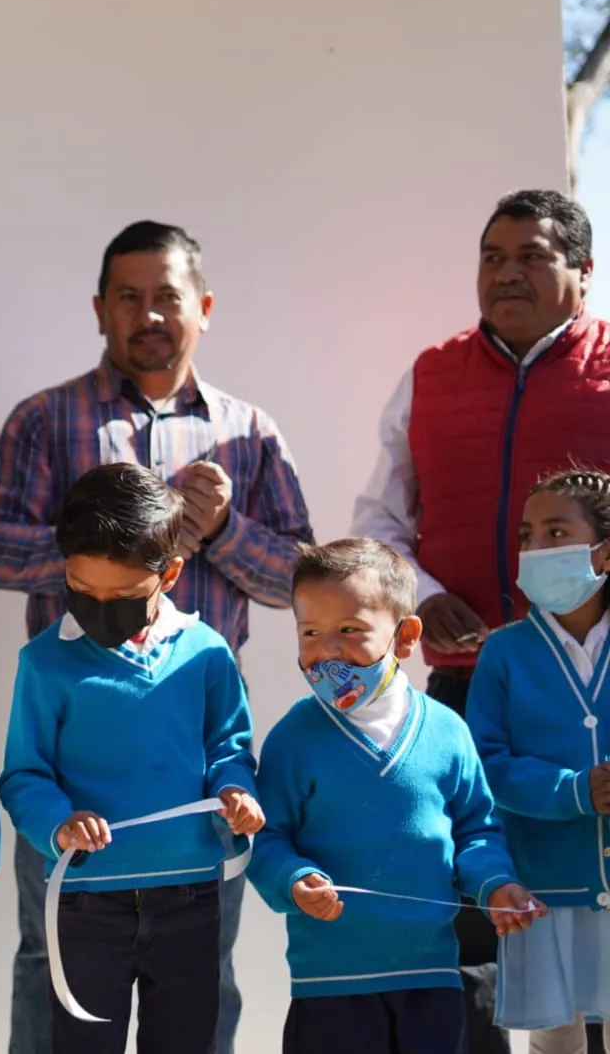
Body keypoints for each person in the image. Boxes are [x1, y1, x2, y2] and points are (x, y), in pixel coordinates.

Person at [0, 220, 312, 1054]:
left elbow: (300, 579)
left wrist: (220, 528)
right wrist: (113, 545)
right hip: (70, 767)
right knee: (44, 965)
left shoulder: (252, 432)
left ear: (204, 307)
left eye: (167, 297)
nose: (148, 314)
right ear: (100, 308)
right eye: (129, 296)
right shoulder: (45, 419)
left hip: (190, 770)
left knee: (196, 979)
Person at [353, 189, 605, 1054]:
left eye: (531, 255)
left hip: (592, 693)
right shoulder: (428, 375)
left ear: (583, 271)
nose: (507, 273)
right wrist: (419, 589)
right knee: (474, 918)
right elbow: (378, 522)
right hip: (462, 692)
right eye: (492, 256)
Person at [0, 462, 265, 1054]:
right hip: (86, 904)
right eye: (81, 591)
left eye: (120, 596)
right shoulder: (44, 663)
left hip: (191, 898)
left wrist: (236, 792)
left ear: (168, 574)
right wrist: (56, 822)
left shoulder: (207, 653)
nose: (98, 609)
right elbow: (23, 775)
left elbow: (229, 747)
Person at [250, 538, 540, 1054]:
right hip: (330, 985)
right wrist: (293, 882)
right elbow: (266, 837)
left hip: (432, 979)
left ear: (405, 636)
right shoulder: (294, 737)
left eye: (350, 631)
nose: (328, 650)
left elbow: (477, 829)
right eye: (310, 632)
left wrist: (497, 884)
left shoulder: (448, 730)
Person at [467, 470, 610, 1053]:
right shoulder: (504, 652)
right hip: (544, 890)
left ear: (604, 550)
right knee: (556, 1041)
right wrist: (574, 790)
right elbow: (485, 765)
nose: (537, 549)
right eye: (529, 535)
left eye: (557, 531)